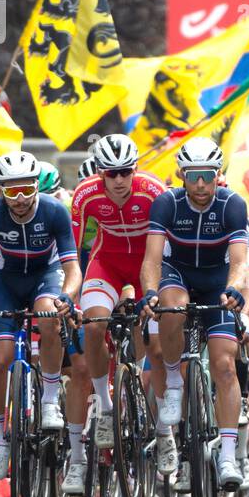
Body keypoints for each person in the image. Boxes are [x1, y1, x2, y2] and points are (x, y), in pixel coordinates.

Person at [140, 138, 249, 492]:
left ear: (218, 175)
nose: (201, 185)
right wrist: (149, 292)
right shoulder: (166, 203)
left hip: (217, 281)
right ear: (181, 175)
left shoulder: (232, 204)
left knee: (223, 365)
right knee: (170, 306)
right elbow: (152, 261)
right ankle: (174, 382)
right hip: (179, 275)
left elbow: (239, 262)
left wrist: (234, 288)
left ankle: (229, 455)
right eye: (193, 177)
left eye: (207, 176)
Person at [0, 151, 81, 487]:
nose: (19, 199)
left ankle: (48, 401)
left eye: (25, 190)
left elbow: (72, 268)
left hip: (46, 275)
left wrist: (67, 297)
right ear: (1, 190)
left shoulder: (55, 210)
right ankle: (1, 439)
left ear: (36, 187)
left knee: (47, 317)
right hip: (5, 281)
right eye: (10, 191)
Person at [71, 135, 167, 454]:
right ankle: (105, 405)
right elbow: (73, 250)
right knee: (94, 325)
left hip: (147, 266)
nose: (120, 180)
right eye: (111, 173)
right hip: (107, 263)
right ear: (100, 172)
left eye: (126, 171)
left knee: (151, 338)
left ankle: (137, 380)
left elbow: (172, 240)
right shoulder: (85, 194)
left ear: (135, 168)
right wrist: (70, 295)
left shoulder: (153, 190)